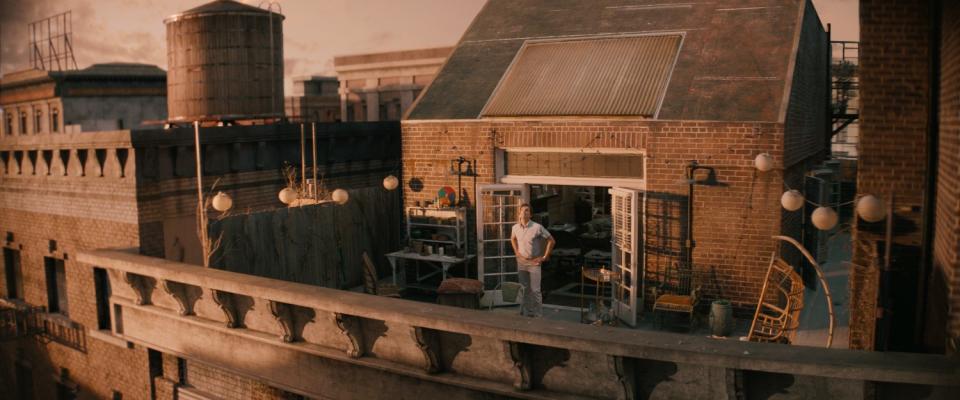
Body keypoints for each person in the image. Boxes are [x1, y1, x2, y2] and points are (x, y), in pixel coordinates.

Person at [510, 203, 555, 317]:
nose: (524, 213)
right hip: (521, 262)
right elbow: (512, 239)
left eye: (527, 211)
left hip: (534, 262)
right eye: (522, 210)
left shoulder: (537, 227)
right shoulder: (515, 228)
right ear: (519, 213)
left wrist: (544, 257)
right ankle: (527, 312)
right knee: (524, 289)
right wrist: (516, 252)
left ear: (530, 214)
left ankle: (538, 315)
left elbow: (551, 240)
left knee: (535, 290)